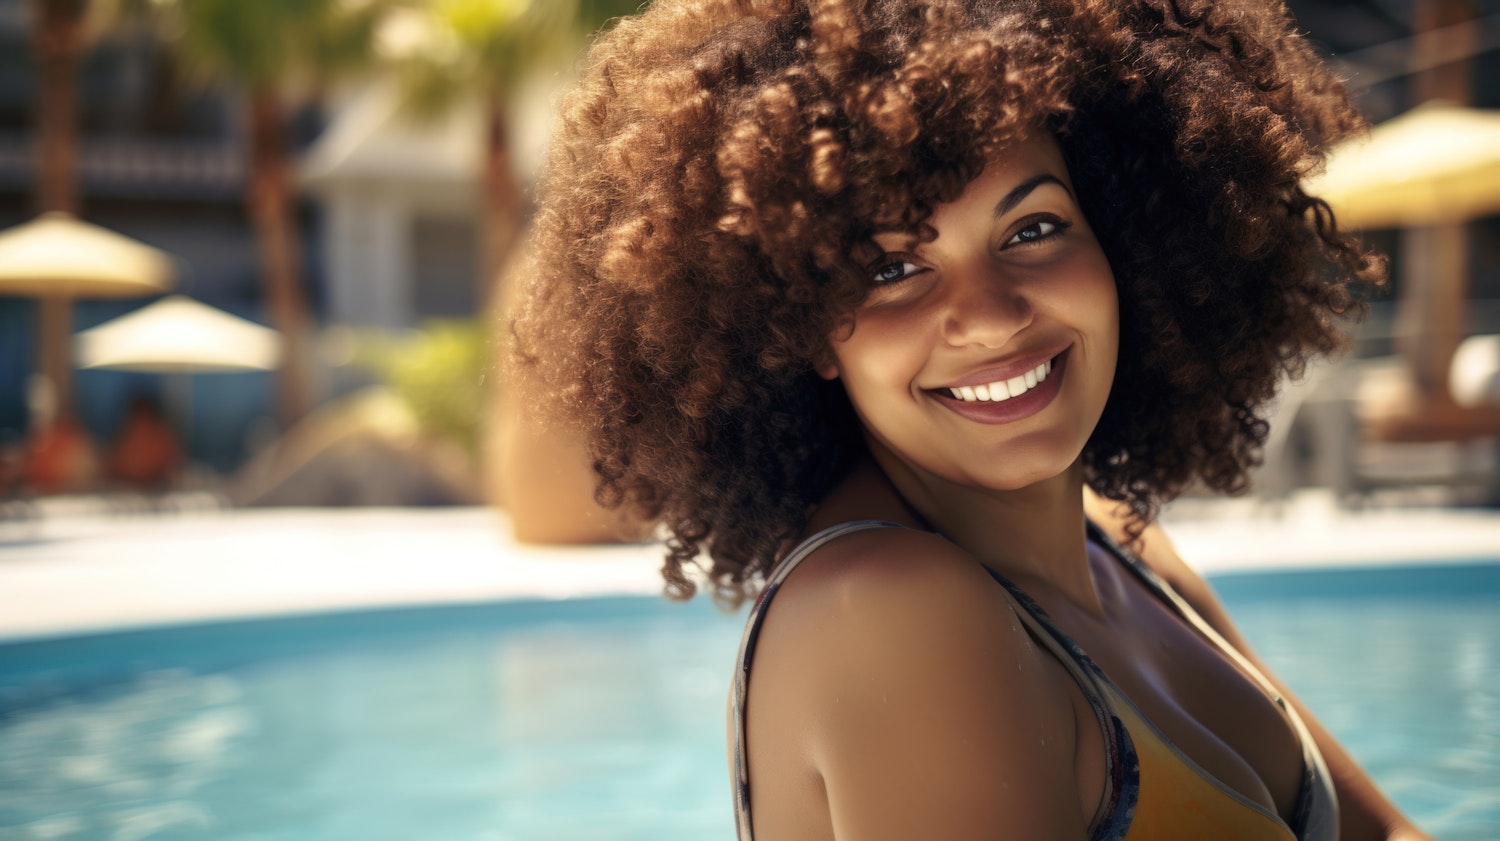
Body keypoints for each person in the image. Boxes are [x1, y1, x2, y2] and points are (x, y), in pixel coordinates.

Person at [510, 0, 1433, 838]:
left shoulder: (1123, 547)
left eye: (1032, 229)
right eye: (892, 269)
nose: (990, 314)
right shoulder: (890, 609)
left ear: (1123, 240)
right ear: (801, 326)